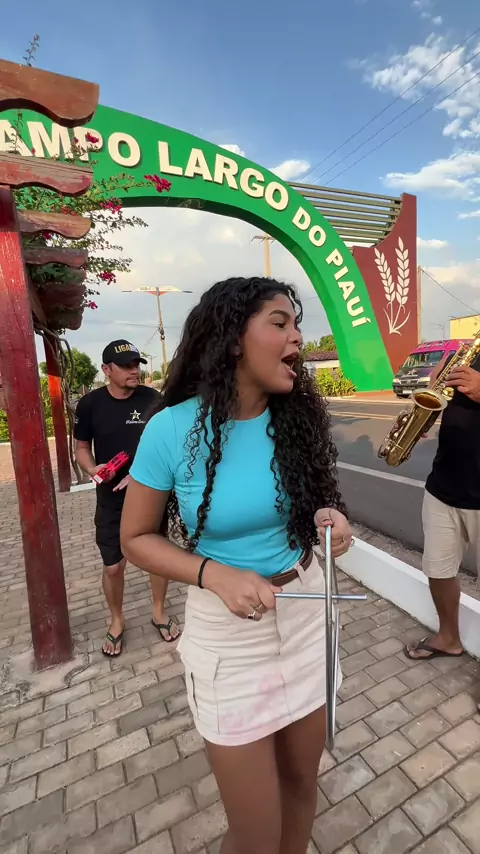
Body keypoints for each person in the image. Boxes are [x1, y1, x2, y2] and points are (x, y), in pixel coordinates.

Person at [120, 277, 352, 854]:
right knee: (254, 832)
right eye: (280, 323)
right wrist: (213, 574)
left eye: (296, 325)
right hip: (228, 640)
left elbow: (313, 501)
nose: (297, 338)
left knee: (301, 787)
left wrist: (328, 518)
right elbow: (136, 538)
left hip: (307, 616)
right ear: (230, 339)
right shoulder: (171, 430)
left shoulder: (295, 418)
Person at [74, 339, 179, 657]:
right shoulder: (90, 404)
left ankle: (159, 612)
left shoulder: (154, 400)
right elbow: (81, 448)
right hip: (110, 498)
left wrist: (142, 474)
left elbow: (169, 445)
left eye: (136, 364)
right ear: (106, 370)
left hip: (150, 495)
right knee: (112, 567)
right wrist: (93, 468)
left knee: (156, 558)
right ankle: (116, 620)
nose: (134, 370)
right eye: (126, 366)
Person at [406, 350, 480, 663]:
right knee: (438, 570)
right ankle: (449, 638)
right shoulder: (471, 351)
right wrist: (431, 399)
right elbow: (445, 397)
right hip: (443, 487)